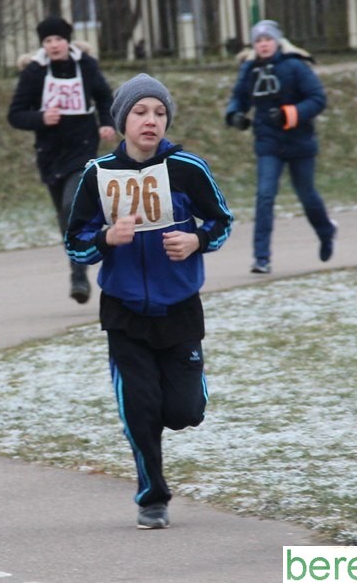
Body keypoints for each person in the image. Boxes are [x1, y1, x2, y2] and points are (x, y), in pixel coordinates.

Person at [64, 74, 233, 530]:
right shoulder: (98, 174)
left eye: (159, 113)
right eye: (140, 112)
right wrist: (107, 237)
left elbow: (222, 221)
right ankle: (152, 495)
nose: (150, 121)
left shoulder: (188, 168)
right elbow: (76, 245)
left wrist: (196, 239)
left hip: (179, 306)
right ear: (122, 120)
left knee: (183, 411)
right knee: (139, 409)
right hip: (124, 312)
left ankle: (180, 398)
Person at [7, 15, 117, 303]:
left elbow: (104, 97)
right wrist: (41, 117)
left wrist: (106, 122)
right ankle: (78, 269)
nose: (54, 45)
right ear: (42, 44)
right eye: (48, 40)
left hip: (82, 150)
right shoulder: (34, 73)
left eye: (58, 39)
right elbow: (15, 114)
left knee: (72, 204)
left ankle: (79, 276)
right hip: (51, 154)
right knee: (65, 218)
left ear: (68, 41)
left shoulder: (86, 66)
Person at [224, 19, 337, 274]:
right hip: (268, 142)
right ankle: (261, 258)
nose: (263, 45)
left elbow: (318, 99)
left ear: (277, 42)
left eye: (268, 39)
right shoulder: (249, 68)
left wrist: (290, 114)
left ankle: (326, 232)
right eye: (259, 41)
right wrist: (235, 116)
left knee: (306, 195)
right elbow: (238, 99)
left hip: (300, 141)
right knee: (265, 196)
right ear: (254, 45)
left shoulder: (295, 65)